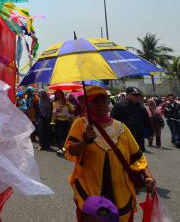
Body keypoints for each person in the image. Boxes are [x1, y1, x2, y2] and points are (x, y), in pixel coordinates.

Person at [65, 86, 157, 222]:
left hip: (121, 191)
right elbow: (70, 150)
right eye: (96, 102)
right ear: (87, 104)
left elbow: (137, 156)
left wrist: (148, 176)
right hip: (91, 190)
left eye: (104, 101)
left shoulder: (121, 127)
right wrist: (84, 142)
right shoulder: (80, 124)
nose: (101, 105)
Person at [111, 87, 151, 152]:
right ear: (127, 95)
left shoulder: (141, 107)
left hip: (139, 136)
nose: (137, 96)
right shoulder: (119, 105)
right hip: (124, 135)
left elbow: (146, 120)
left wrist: (149, 133)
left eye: (138, 95)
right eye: (134, 94)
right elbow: (113, 119)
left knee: (139, 155)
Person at [51, 90, 74, 155]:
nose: (58, 95)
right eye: (57, 94)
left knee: (66, 135)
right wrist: (57, 109)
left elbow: (72, 110)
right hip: (58, 120)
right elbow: (53, 112)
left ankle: (65, 147)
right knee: (59, 134)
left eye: (59, 93)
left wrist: (68, 105)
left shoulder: (67, 101)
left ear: (62, 94)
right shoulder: (55, 102)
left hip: (67, 120)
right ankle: (60, 148)